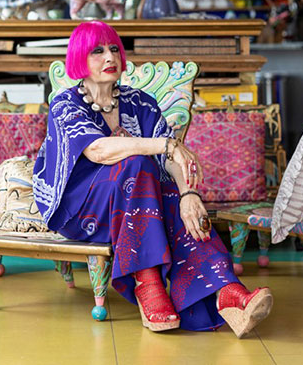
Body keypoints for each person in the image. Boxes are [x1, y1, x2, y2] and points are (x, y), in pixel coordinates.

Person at [32, 21, 271, 336]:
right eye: (97, 51)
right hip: (79, 208)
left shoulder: (139, 101)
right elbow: (99, 151)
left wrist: (189, 195)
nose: (109, 58)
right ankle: (148, 282)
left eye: (114, 49)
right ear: (79, 58)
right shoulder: (66, 103)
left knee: (171, 196)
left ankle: (228, 292)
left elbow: (171, 158)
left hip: (136, 201)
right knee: (137, 165)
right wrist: (165, 146)